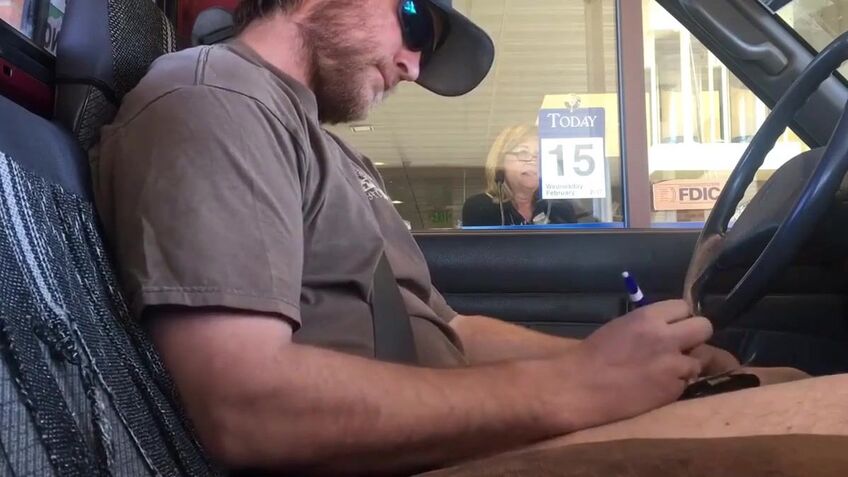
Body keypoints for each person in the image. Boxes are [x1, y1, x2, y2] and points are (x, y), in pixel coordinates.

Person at [92, 0, 845, 475]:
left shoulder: (330, 151)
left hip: (452, 442)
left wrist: (619, 362)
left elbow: (449, 329)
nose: (413, 66)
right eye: (415, 21)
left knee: (780, 380)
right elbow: (245, 406)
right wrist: (575, 389)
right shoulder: (213, 98)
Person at [462, 125, 594, 226]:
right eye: (523, 153)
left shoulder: (561, 209)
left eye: (539, 155)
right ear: (501, 162)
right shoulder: (480, 207)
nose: (533, 161)